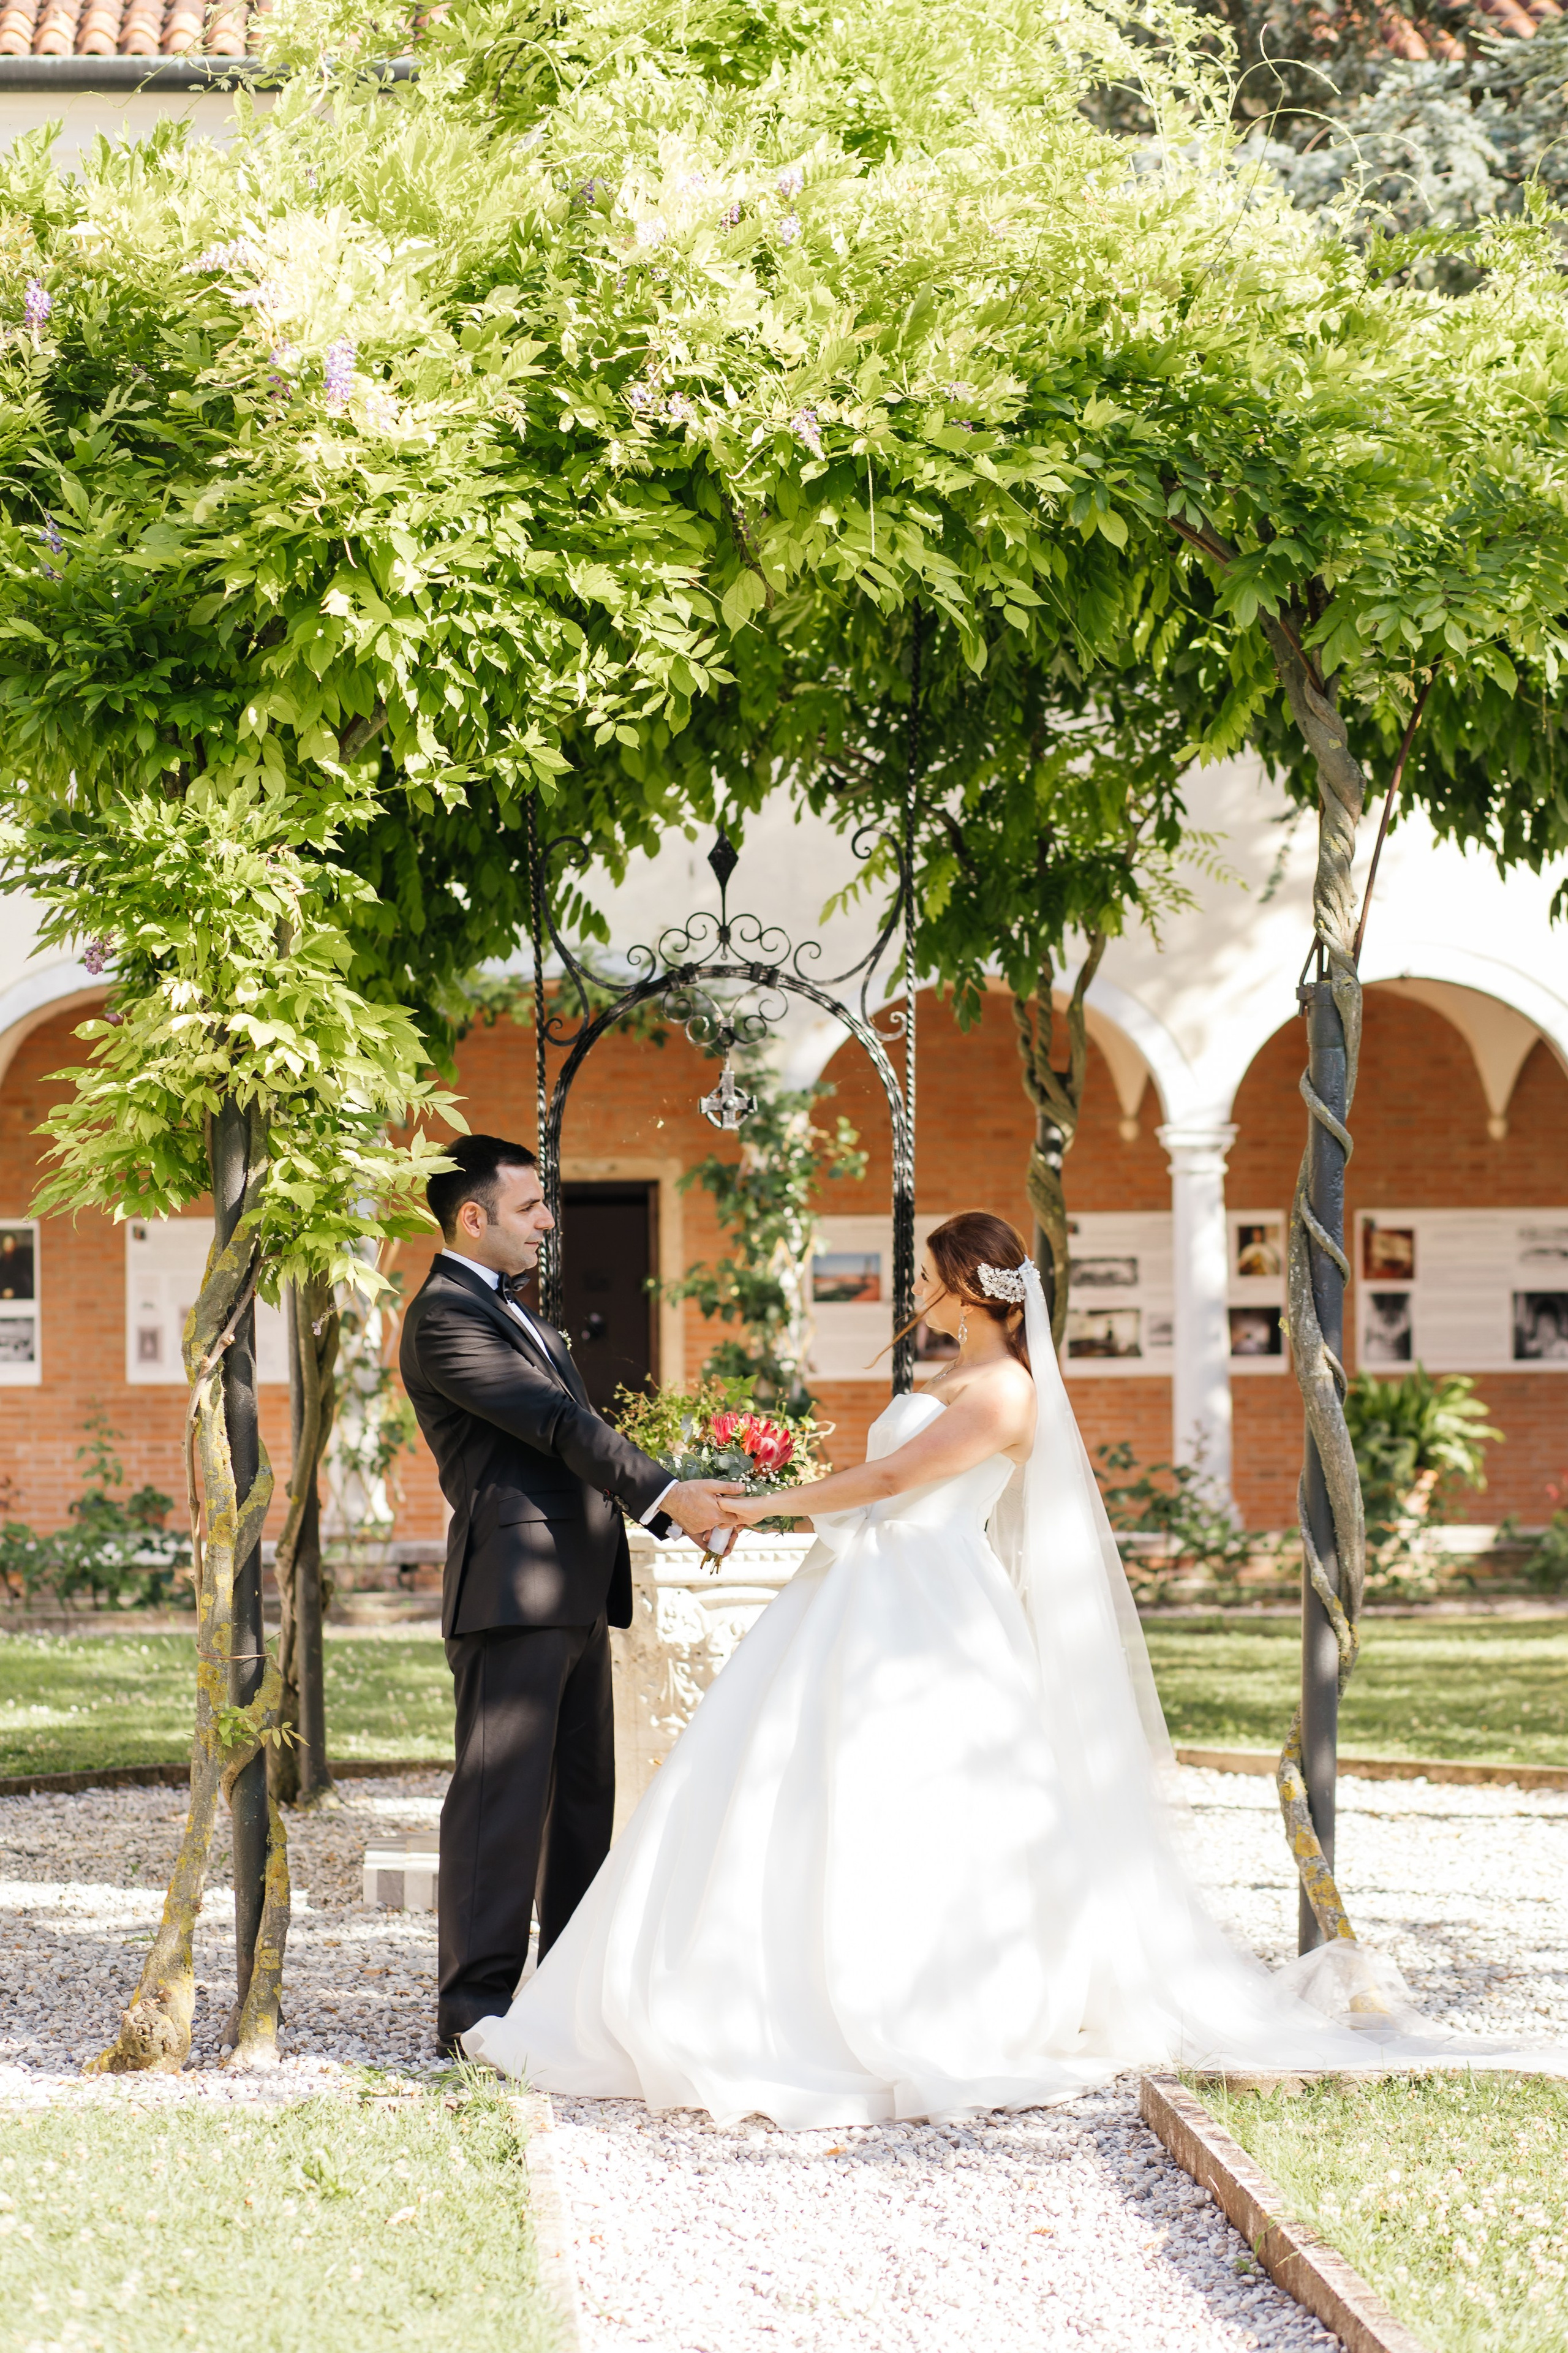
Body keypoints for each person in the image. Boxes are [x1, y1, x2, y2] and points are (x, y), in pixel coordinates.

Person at [465, 1209, 1567, 2121]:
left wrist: (766, 1500)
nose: (921, 1292)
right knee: (789, 1788)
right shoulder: (956, 1378)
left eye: (935, 1278)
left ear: (976, 1291)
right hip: (861, 1598)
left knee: (914, 1800)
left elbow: (895, 1484)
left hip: (924, 1607)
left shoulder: (1002, 1393)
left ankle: (924, 1993)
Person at [399, 1135, 742, 2055]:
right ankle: (474, 2013)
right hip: (511, 1592)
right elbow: (556, 1424)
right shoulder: (443, 1317)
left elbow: (574, 1429)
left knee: (584, 1800)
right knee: (500, 1801)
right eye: (530, 1208)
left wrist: (666, 1510)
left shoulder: (525, 1314)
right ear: (473, 1217)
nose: (550, 1222)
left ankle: (568, 1997)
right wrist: (669, 1497)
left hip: (577, 1589)